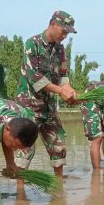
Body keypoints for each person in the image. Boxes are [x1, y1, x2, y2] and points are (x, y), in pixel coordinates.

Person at [14, 10, 79, 182]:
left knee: (58, 145)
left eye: (68, 33)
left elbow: (63, 76)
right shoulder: (32, 44)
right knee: (25, 148)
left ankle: (58, 187)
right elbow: (34, 77)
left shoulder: (60, 49)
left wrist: (70, 90)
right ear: (53, 25)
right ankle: (20, 192)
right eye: (64, 31)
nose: (65, 36)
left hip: (48, 106)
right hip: (29, 105)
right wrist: (60, 91)